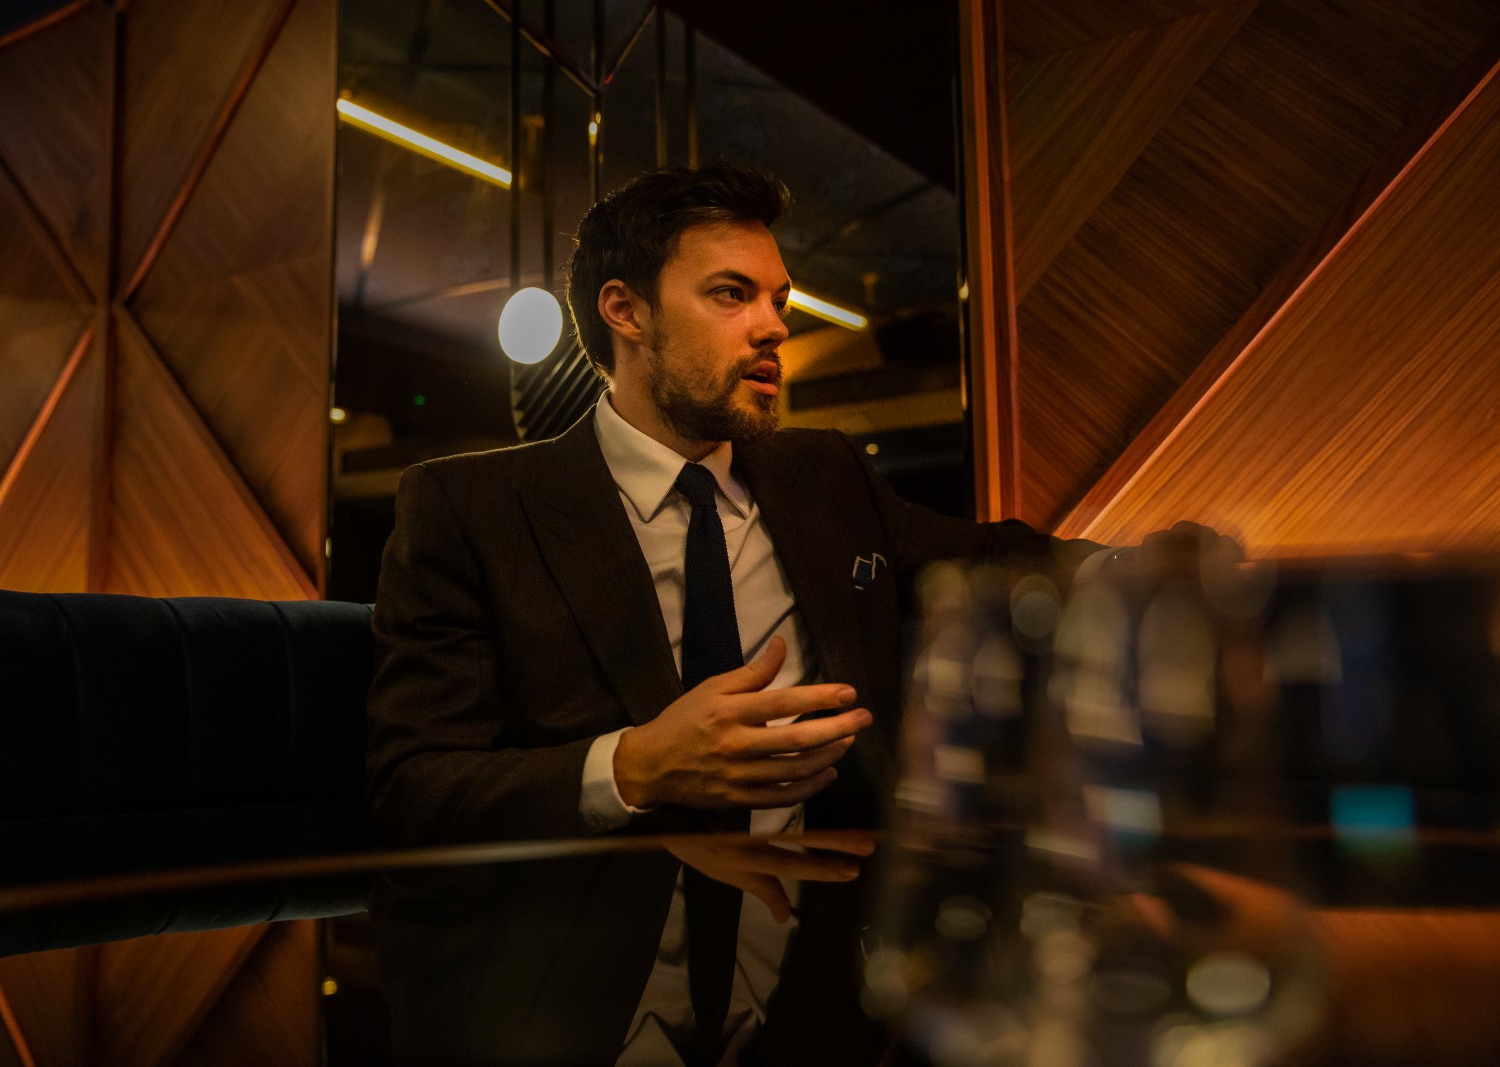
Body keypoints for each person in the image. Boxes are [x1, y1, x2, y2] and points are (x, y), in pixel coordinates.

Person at [366, 163, 1112, 1064]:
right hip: (566, 993)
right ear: (625, 310)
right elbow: (413, 790)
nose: (773, 324)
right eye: (731, 293)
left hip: (832, 967)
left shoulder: (824, 478)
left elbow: (994, 560)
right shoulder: (471, 507)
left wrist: (1148, 570)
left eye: (777, 297)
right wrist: (634, 765)